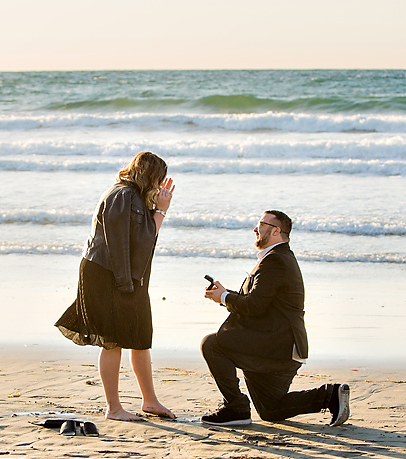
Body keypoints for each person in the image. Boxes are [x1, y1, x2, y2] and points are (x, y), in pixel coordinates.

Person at [56, 151, 176, 421]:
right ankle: (114, 408)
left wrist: (155, 209)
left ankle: (150, 401)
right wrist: (161, 212)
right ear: (148, 176)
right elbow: (131, 242)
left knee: (140, 337)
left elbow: (138, 239)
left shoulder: (131, 196)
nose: (159, 187)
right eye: (158, 180)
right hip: (108, 273)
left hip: (125, 273)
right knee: (113, 340)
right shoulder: (123, 196)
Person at [200, 210, 349, 427]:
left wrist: (224, 297)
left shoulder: (275, 261)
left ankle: (235, 407)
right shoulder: (278, 258)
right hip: (279, 348)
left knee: (212, 344)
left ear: (276, 231)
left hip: (276, 348)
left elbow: (255, 306)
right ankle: (329, 395)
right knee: (271, 409)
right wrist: (225, 294)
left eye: (261, 224)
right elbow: (259, 302)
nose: (255, 229)